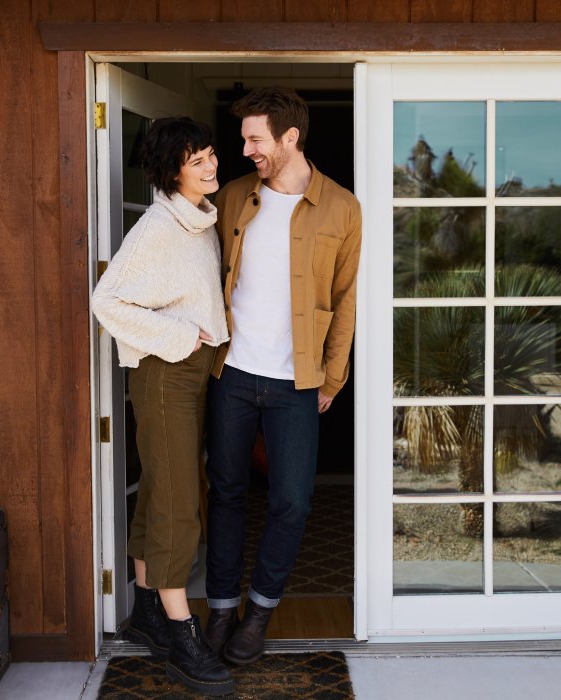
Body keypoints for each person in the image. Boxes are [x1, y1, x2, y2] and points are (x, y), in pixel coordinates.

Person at [203, 87, 362, 665]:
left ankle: (259, 613)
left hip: (298, 380)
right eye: (245, 138)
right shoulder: (233, 197)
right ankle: (221, 610)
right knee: (225, 493)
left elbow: (345, 301)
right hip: (233, 373)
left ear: (290, 138)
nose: (245, 150)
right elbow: (201, 269)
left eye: (255, 140)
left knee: (292, 501)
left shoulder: (342, 208)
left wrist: (332, 378)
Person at [91, 117, 234, 696]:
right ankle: (181, 632)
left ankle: (148, 605)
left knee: (160, 488)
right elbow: (108, 301)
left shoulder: (197, 218)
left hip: (188, 372)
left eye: (210, 155)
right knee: (179, 500)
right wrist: (182, 332)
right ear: (171, 169)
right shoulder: (158, 226)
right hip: (165, 373)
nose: (211, 166)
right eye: (196, 160)